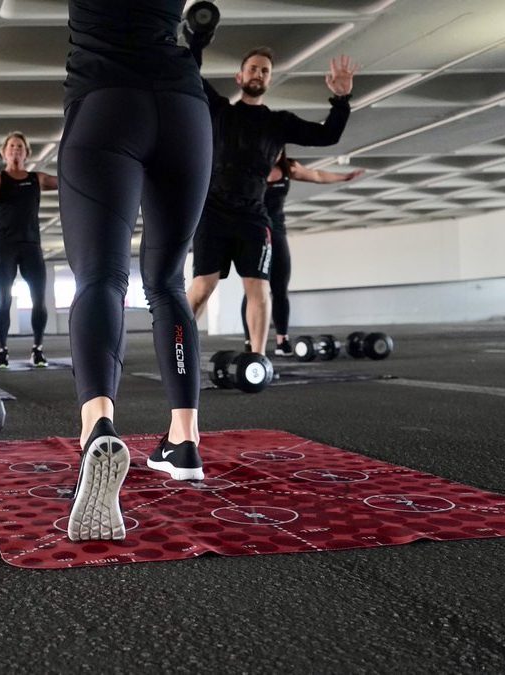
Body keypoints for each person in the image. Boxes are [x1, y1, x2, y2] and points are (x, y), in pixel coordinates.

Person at [60, 0, 213, 541]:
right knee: (168, 283)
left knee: (101, 277)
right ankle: (184, 441)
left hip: (106, 102)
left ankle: (97, 425)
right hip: (184, 105)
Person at [186, 44, 357, 358]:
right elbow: (189, 74)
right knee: (202, 287)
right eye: (253, 68)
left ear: (269, 80)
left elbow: (328, 136)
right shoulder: (221, 111)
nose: (258, 74)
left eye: (265, 70)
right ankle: (177, 349)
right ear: (240, 76)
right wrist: (195, 42)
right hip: (214, 212)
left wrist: (342, 100)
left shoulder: (279, 123)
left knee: (259, 289)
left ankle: (259, 358)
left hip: (253, 216)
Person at [239, 150, 365, 355]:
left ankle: (282, 340)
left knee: (280, 287)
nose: (275, 151)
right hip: (255, 231)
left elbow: (316, 175)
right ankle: (250, 341)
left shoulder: (290, 168)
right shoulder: (251, 170)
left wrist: (343, 177)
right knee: (254, 290)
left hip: (277, 231)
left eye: (279, 148)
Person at [0, 131, 58, 368]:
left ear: (27, 153)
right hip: (5, 245)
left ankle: (37, 349)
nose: (15, 150)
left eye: (20, 147)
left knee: (39, 300)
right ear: (4, 152)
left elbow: (66, 181)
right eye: (11, 146)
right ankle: (2, 350)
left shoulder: (37, 178)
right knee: (4, 299)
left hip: (31, 244)